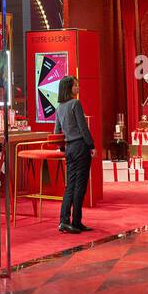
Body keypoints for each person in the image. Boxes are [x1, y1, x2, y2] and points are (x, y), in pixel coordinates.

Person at [53, 76, 94, 234]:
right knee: (80, 185)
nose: (78, 87)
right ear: (68, 88)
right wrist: (91, 145)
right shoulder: (75, 104)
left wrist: (62, 148)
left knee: (70, 185)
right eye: (75, 85)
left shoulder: (59, 107)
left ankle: (65, 220)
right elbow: (83, 128)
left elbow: (57, 132)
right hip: (80, 146)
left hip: (69, 147)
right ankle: (75, 221)